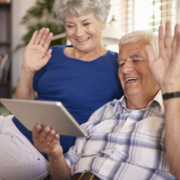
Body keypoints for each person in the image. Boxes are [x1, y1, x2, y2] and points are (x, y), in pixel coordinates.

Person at [33, 21, 180, 180]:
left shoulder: (173, 115)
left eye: (136, 60)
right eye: (121, 63)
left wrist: (170, 88)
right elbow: (62, 176)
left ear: (158, 64)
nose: (124, 69)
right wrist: (55, 154)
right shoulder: (102, 113)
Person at [0, 0, 123, 180]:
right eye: (70, 25)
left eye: (86, 23)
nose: (79, 33)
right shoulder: (53, 53)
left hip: (35, 149)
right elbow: (24, 106)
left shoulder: (118, 66)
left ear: (103, 21)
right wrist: (27, 69)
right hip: (10, 124)